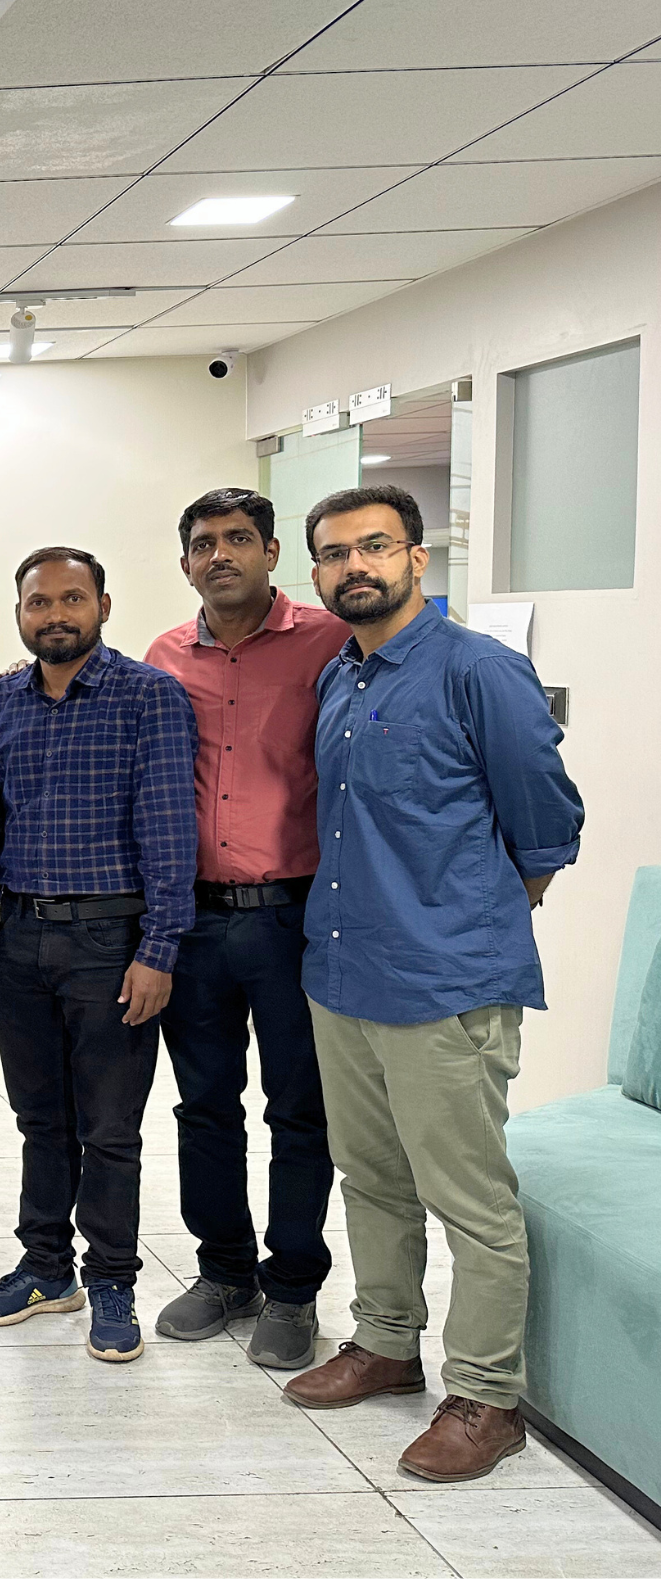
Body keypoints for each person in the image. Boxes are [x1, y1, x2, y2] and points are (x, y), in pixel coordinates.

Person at [283, 486, 583, 1484]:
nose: (352, 566)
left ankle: (486, 1397)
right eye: (334, 554)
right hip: (342, 968)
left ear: (417, 557)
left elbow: (545, 819)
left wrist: (474, 915)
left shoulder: (479, 671)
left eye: (373, 546)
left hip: (444, 982)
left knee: (471, 1198)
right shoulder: (341, 677)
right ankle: (384, 1343)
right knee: (369, 1178)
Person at [0, 546, 196, 1362]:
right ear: (19, 610)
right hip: (21, 937)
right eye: (38, 602)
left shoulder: (149, 697)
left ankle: (110, 1278)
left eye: (71, 599)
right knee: (39, 1120)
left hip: (112, 941)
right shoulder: (1, 700)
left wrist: (158, 949)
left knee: (109, 1129)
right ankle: (44, 1267)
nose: (54, 614)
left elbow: (169, 832)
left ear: (103, 603)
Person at [142, 490, 347, 1369]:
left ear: (271, 551)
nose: (218, 554)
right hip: (192, 920)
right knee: (203, 1105)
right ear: (184, 560)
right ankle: (224, 1270)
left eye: (235, 540)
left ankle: (292, 1285)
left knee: (299, 1109)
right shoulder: (162, 656)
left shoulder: (328, 643)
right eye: (201, 543)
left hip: (296, 916)